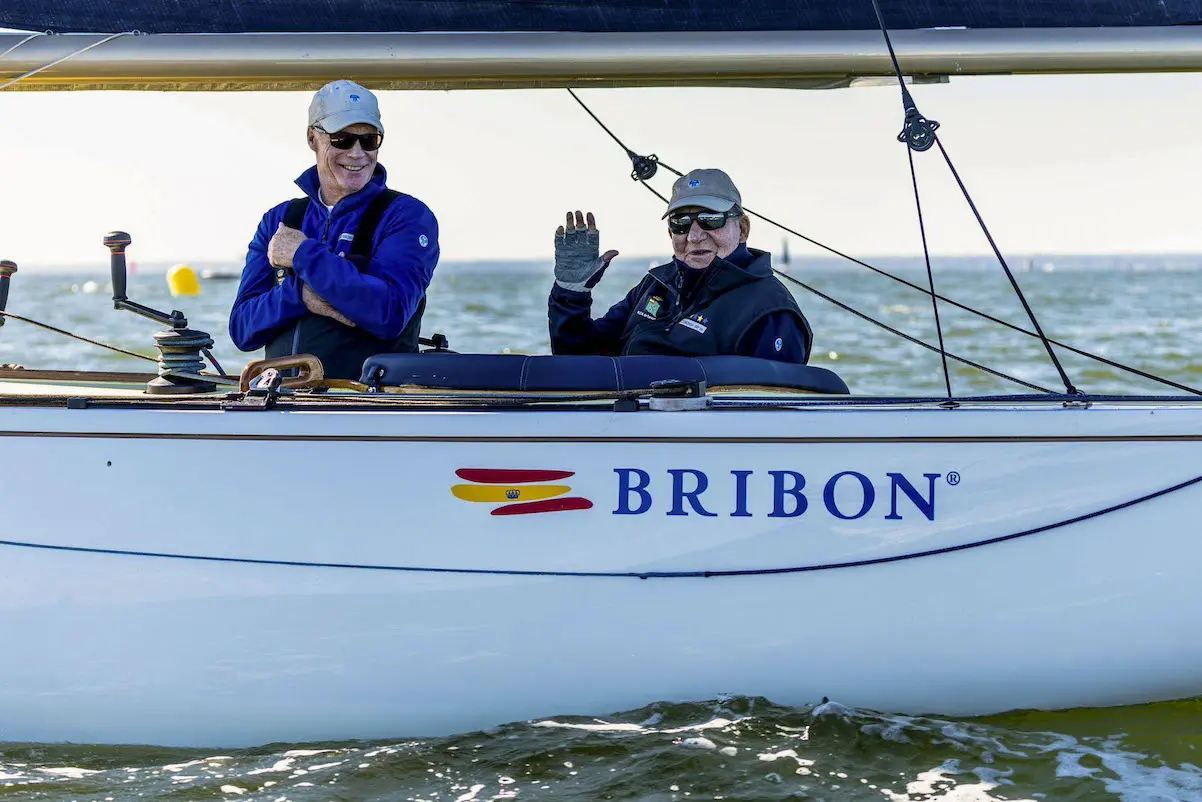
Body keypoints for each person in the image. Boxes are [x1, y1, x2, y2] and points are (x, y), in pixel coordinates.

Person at [229, 79, 439, 379]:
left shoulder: (407, 216)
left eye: (369, 140)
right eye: (342, 139)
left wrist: (303, 253)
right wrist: (299, 296)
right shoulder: (279, 218)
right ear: (312, 138)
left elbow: (389, 313)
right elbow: (242, 329)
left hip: (366, 409)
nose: (357, 153)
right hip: (281, 409)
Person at [547, 168, 811, 362]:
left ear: (742, 229)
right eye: (681, 223)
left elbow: (772, 418)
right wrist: (571, 294)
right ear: (670, 233)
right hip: (627, 429)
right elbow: (577, 361)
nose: (695, 236)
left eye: (710, 219)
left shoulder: (772, 311)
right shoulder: (656, 285)